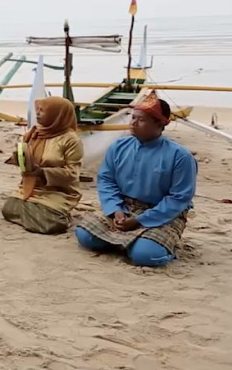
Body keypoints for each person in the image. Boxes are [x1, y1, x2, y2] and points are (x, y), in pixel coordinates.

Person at [75, 94, 197, 267]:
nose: (133, 123)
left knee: (145, 256)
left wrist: (140, 220)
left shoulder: (180, 156)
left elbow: (179, 198)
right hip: (124, 207)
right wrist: (115, 209)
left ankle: (152, 247)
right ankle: (130, 243)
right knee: (84, 235)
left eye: (142, 120)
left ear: (160, 124)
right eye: (133, 118)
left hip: (161, 213)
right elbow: (107, 180)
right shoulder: (119, 146)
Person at [2, 96, 84, 234]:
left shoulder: (71, 140)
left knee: (52, 223)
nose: (38, 113)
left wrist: (42, 172)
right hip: (32, 186)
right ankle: (31, 214)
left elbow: (72, 174)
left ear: (56, 115)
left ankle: (44, 215)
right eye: (37, 110)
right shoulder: (34, 133)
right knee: (8, 209)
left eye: (42, 110)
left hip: (58, 190)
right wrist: (19, 159)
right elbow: (26, 160)